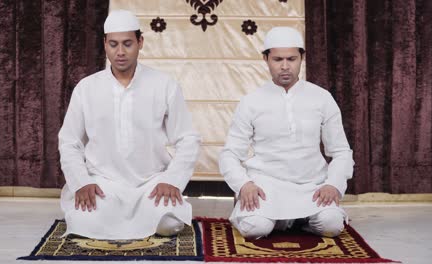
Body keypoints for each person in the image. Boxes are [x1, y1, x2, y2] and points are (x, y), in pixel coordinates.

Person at [58, 10, 200, 239]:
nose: (120, 52)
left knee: (169, 224)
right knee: (84, 220)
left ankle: (147, 213)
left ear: (140, 42)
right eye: (113, 44)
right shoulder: (86, 88)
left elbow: (187, 138)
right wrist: (81, 182)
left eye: (127, 44)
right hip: (104, 183)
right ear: (104, 44)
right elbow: (69, 142)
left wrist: (171, 180)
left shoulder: (164, 85)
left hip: (151, 183)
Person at [219, 27, 354, 239]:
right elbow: (230, 154)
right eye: (277, 59)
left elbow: (340, 151)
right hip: (266, 184)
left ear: (302, 57)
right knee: (255, 229)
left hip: (312, 184)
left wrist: (333, 184)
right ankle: (271, 215)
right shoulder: (251, 101)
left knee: (331, 226)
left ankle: (295, 219)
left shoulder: (321, 97)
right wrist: (244, 185)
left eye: (291, 59)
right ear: (265, 59)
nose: (284, 66)